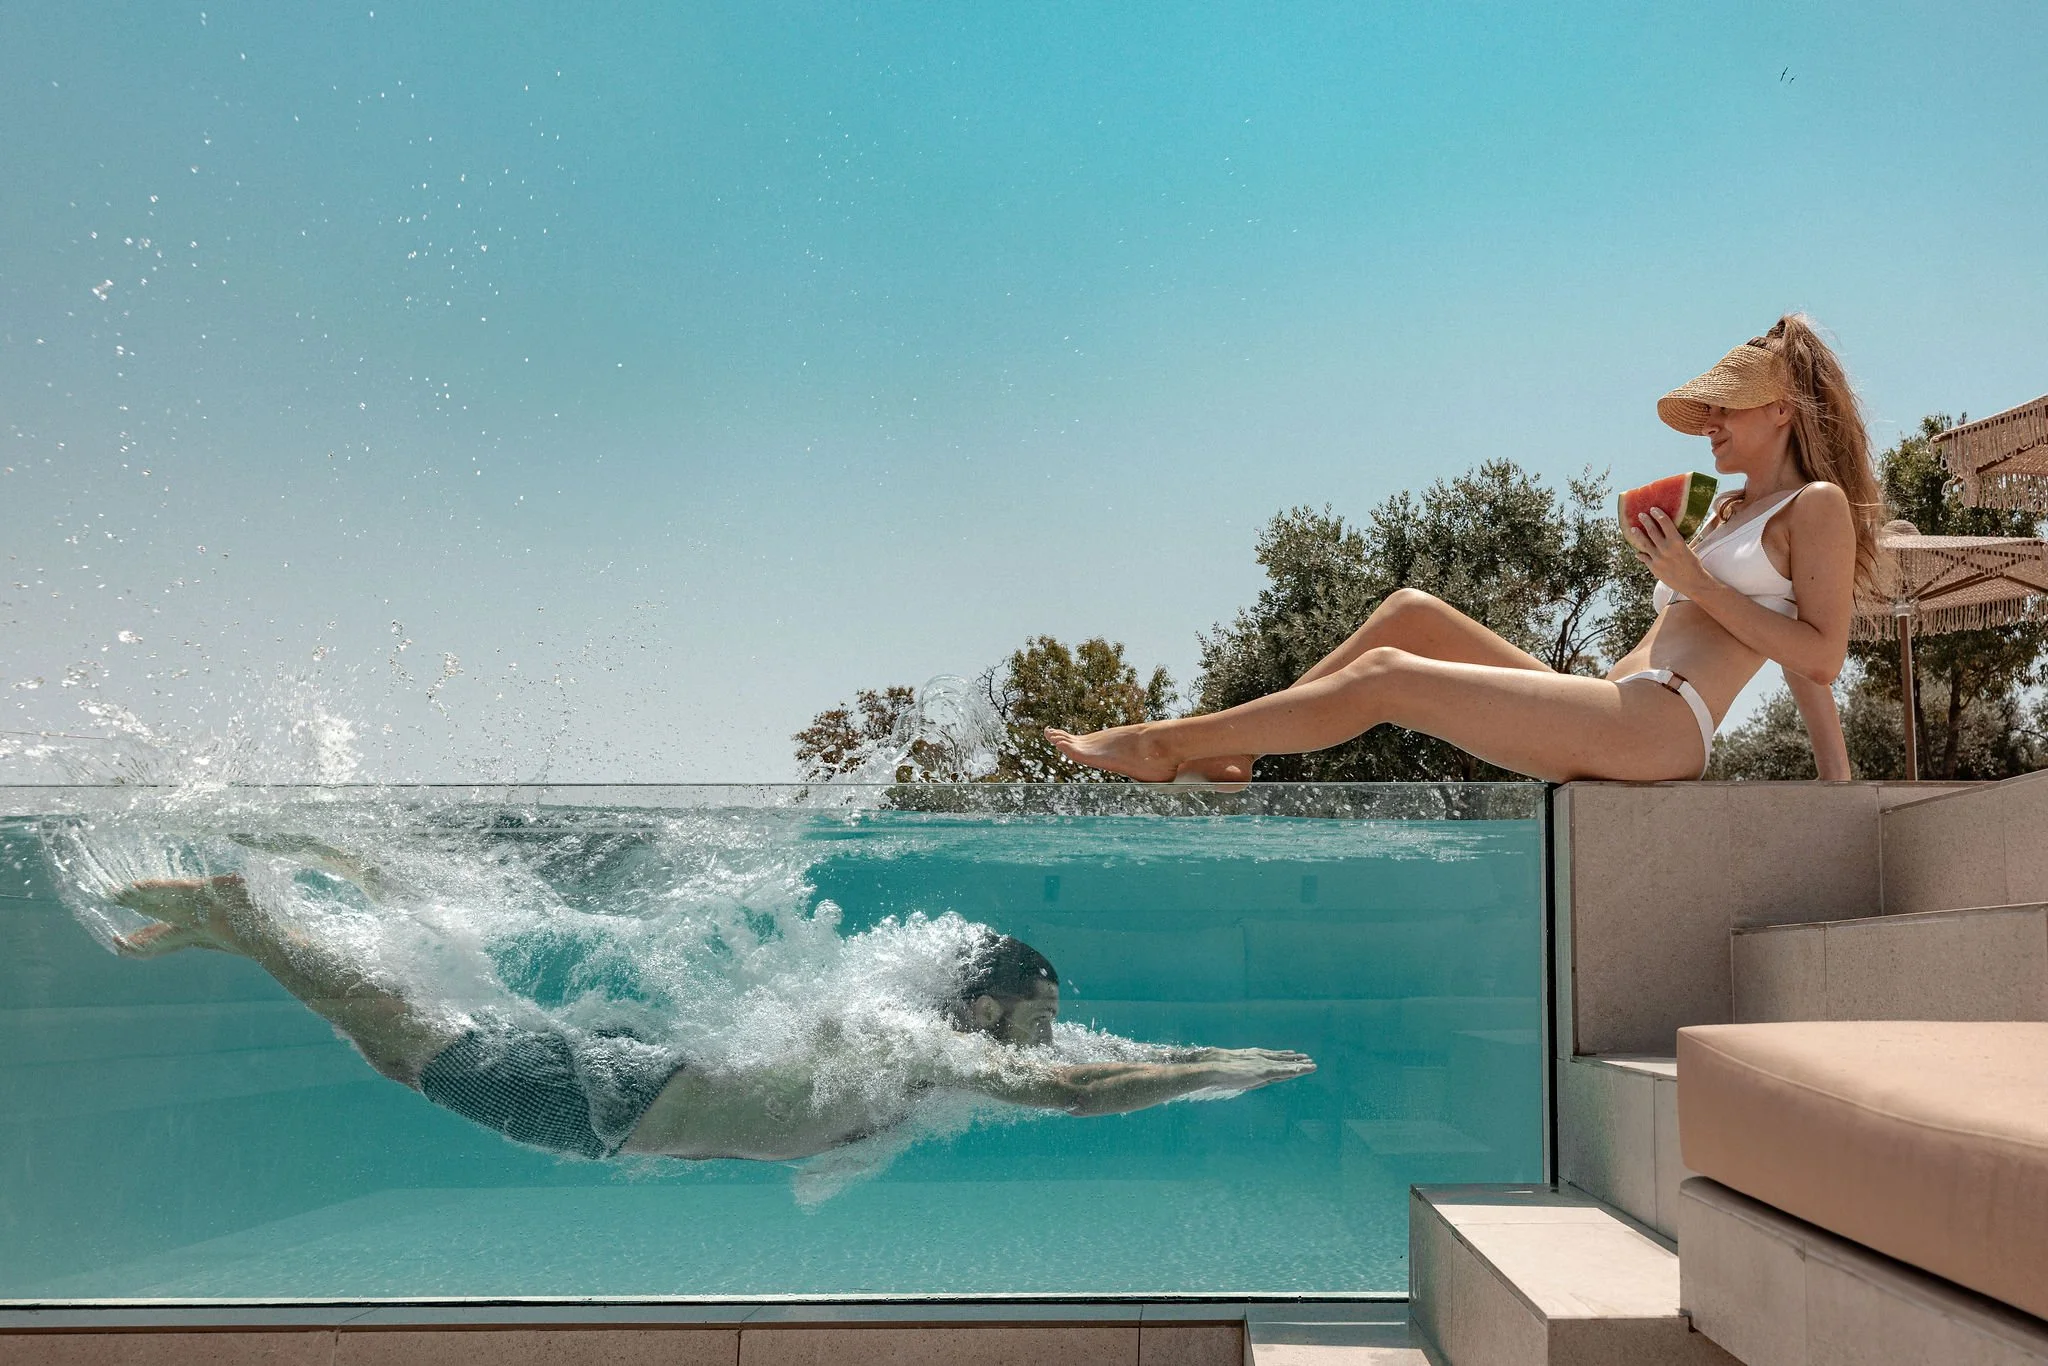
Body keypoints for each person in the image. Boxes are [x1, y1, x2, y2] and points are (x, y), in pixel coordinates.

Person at [1048, 314, 1879, 785]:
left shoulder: (1818, 505)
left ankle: (1165, 744)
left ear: (1783, 412)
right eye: (1709, 411)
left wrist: (1696, 581)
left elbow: (1820, 655)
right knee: (1409, 613)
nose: (1711, 426)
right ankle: (1233, 753)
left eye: (1728, 410)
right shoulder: (1729, 508)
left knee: (1386, 683)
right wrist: (1691, 574)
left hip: (1666, 725)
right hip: (1611, 700)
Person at [107, 867, 1314, 1162]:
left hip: (628, 1083)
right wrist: (1230, 1071)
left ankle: (251, 922)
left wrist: (1205, 1056)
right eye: (1035, 1013)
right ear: (983, 1005)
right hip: (607, 1106)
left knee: (400, 1051)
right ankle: (247, 914)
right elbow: (1074, 1087)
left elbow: (1095, 1061)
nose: (1049, 1034)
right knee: (406, 1050)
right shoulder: (911, 1037)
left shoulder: (925, 1032)